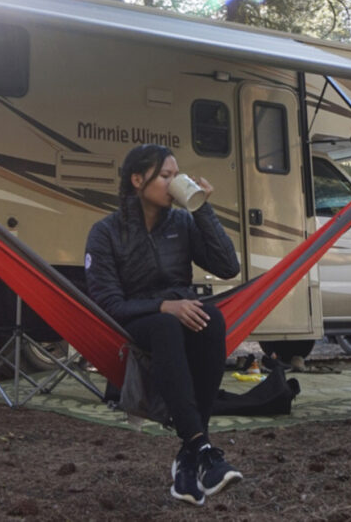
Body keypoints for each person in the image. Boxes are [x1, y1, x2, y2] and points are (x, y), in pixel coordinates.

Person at [84, 144, 243, 506]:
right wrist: (163, 306)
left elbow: (228, 267)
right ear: (137, 180)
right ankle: (202, 449)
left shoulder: (183, 222)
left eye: (177, 176)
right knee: (166, 326)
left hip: (177, 310)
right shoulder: (106, 232)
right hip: (134, 320)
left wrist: (202, 209)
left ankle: (191, 456)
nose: (175, 183)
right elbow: (108, 303)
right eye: (166, 176)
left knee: (212, 320)